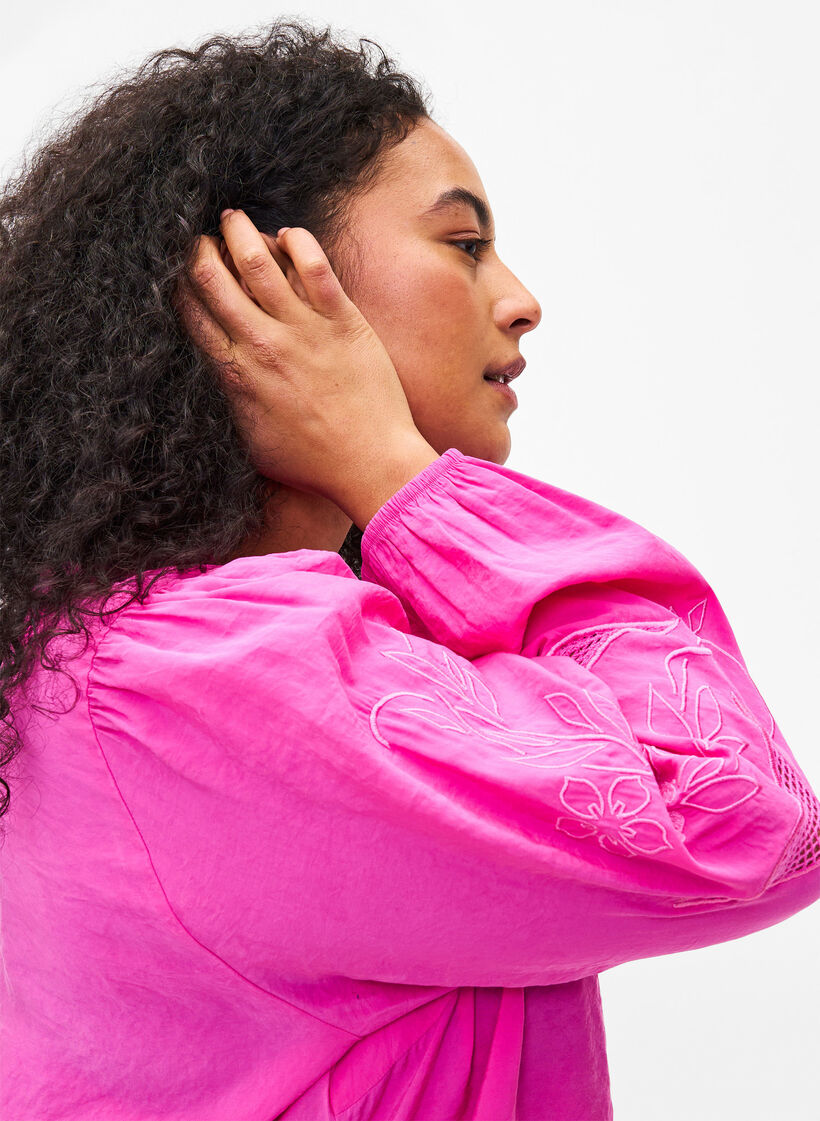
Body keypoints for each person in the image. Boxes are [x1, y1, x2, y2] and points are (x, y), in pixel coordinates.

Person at [1, 18, 818, 1121]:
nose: (520, 298)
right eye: (464, 244)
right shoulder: (205, 673)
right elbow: (740, 821)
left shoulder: (120, 645)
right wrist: (394, 468)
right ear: (268, 278)